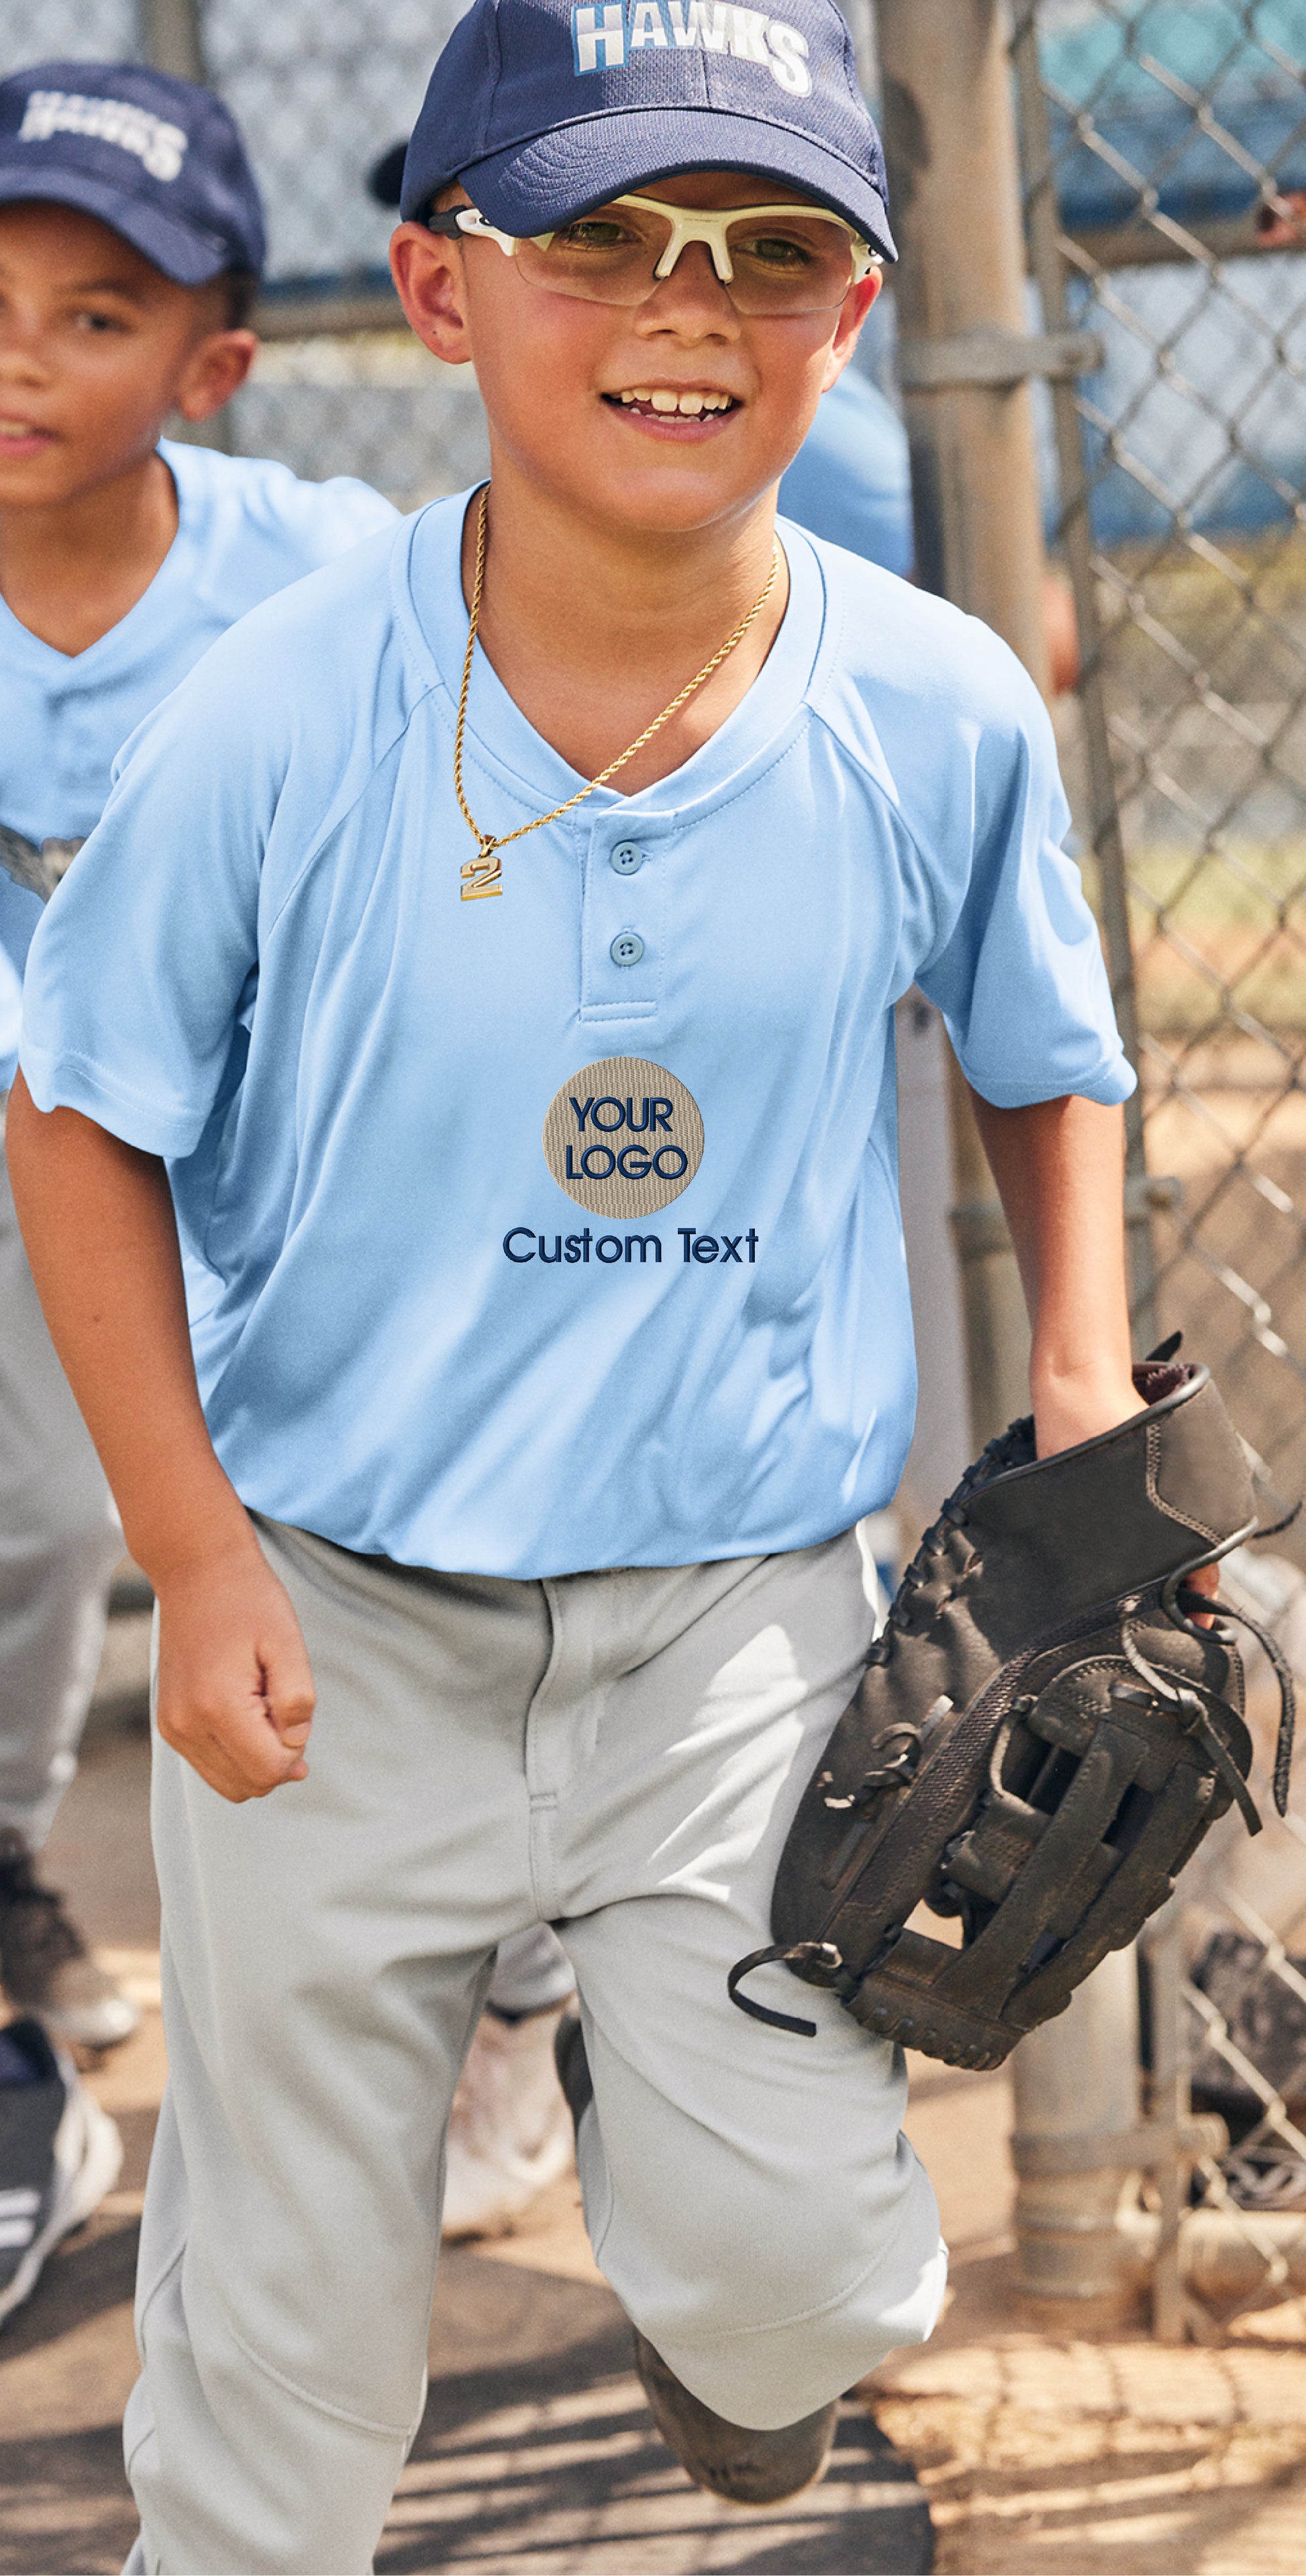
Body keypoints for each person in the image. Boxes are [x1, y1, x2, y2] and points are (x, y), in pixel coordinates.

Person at [10, 0, 1142, 2560]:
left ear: (853, 315)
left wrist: (1072, 1360)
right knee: (280, 2357)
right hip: (333, 1600)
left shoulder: (929, 703)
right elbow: (76, 1116)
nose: (683, 307)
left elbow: (1045, 1047)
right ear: (435, 291)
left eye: (767, 252)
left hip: (730, 1622)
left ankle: (714, 2301)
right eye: (601, 238)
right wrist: (190, 1551)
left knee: (805, 2289)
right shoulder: (281, 710)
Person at [0, 60, 397, 2081]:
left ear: (214, 364)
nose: (19, 360)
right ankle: (8, 1884)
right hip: (30, 1155)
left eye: (93, 316)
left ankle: (487, 1960)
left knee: (342, 1525)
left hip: (276, 1141)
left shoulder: (323, 572)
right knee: (50, 1513)